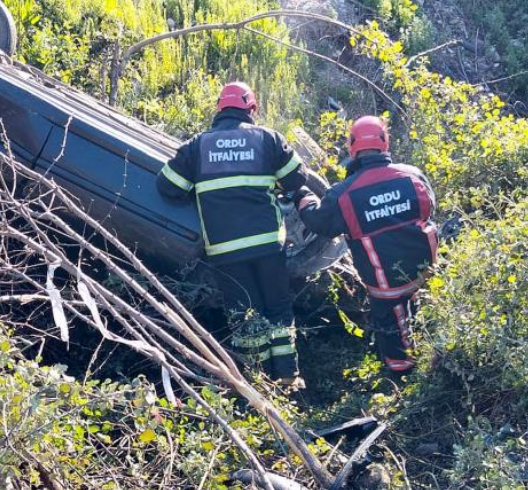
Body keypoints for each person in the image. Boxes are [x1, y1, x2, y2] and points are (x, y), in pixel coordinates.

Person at [156, 82, 308, 386]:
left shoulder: (198, 146)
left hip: (225, 250)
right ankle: (287, 375)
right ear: (252, 108)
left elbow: (168, 187)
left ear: (219, 108)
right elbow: (297, 178)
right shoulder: (268, 139)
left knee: (245, 313)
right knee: (277, 306)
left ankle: (257, 381)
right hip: (268, 243)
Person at [295, 116, 437, 374]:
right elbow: (429, 208)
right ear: (385, 143)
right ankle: (423, 343)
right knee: (412, 303)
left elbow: (320, 223)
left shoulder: (343, 194)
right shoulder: (413, 175)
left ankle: (401, 373)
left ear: (352, 146)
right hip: (424, 267)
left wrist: (303, 197)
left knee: (390, 322)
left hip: (385, 281)